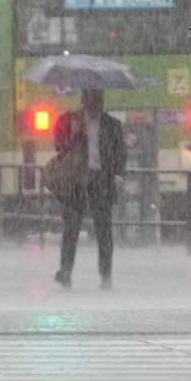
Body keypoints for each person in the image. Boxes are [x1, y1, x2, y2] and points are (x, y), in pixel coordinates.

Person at [53, 89, 127, 290]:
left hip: (101, 180)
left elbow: (120, 153)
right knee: (71, 228)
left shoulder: (112, 125)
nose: (96, 106)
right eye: (92, 101)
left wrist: (118, 174)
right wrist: (74, 134)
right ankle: (66, 271)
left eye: (99, 101)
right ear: (84, 101)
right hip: (76, 179)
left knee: (103, 230)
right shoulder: (68, 121)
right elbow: (59, 146)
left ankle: (105, 274)